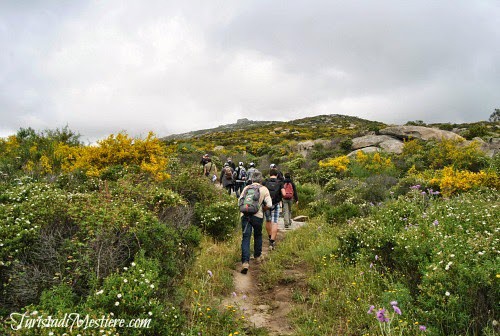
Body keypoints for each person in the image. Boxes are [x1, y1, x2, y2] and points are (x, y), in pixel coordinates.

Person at [238, 171, 272, 274]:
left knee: (246, 238)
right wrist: (263, 209)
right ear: (261, 179)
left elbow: (239, 202)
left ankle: (245, 263)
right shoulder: (264, 189)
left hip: (245, 216)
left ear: (252, 179)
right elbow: (269, 205)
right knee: (258, 235)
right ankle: (257, 256)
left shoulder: (246, 188)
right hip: (258, 216)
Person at [263, 168, 283, 250]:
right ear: (277, 175)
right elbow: (284, 193)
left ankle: (269, 236)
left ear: (269, 174)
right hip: (276, 204)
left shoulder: (265, 182)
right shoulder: (280, 183)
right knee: (275, 222)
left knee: (268, 221)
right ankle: (272, 242)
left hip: (267, 205)